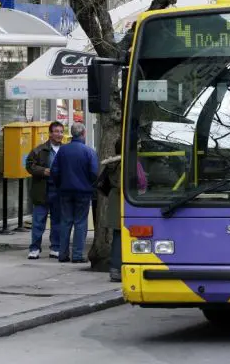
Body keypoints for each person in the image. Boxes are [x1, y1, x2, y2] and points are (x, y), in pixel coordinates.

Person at [98, 137, 147, 282]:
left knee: (118, 236)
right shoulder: (130, 163)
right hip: (127, 200)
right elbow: (138, 182)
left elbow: (103, 183)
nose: (139, 147)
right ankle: (124, 267)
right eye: (137, 144)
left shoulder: (112, 163)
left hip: (114, 200)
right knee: (128, 235)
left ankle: (116, 268)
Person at [51, 122, 99, 263]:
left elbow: (54, 171)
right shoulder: (89, 151)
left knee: (65, 222)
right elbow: (94, 173)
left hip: (65, 191)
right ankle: (77, 255)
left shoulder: (63, 150)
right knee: (80, 222)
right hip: (83, 192)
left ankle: (63, 254)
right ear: (83, 134)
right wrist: (90, 185)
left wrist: (59, 185)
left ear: (72, 134)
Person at [25, 121, 64, 260]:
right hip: (42, 190)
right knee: (38, 221)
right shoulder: (39, 150)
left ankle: (55, 248)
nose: (59, 134)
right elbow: (29, 165)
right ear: (50, 133)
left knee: (57, 221)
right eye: (56, 131)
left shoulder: (65, 150)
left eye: (61, 131)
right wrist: (43, 171)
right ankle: (34, 248)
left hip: (58, 191)